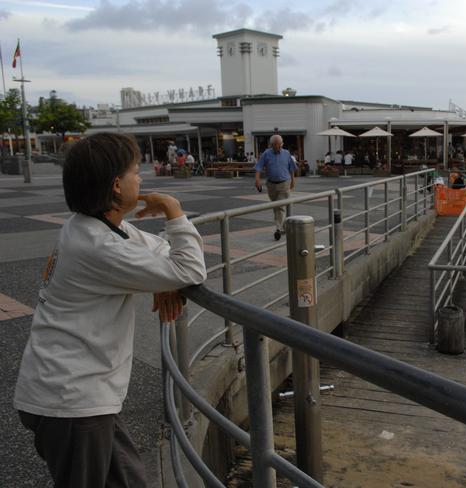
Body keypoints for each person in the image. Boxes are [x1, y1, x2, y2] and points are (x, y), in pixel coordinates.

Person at [13, 133, 207, 488]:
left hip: (77, 397)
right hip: (72, 401)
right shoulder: (100, 245)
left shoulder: (93, 227)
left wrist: (162, 279)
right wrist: (174, 211)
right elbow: (191, 269)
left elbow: (160, 250)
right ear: (117, 186)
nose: (143, 178)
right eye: (136, 172)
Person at [254, 134, 298, 240]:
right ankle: (283, 227)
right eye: (277, 145)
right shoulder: (266, 154)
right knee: (276, 206)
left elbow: (291, 168)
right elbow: (258, 167)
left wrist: (293, 180)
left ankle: (278, 228)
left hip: (284, 183)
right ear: (271, 145)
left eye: (281, 144)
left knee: (280, 206)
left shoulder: (286, 153)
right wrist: (257, 180)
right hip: (271, 184)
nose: (279, 147)